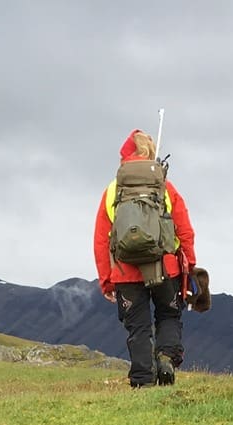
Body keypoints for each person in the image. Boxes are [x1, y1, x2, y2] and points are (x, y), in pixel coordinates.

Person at [94, 129, 198, 388]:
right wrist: (190, 268)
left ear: (124, 156)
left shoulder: (112, 191)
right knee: (169, 315)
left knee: (137, 327)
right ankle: (166, 357)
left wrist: (107, 281)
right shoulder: (166, 188)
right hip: (166, 269)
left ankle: (142, 381)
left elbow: (101, 240)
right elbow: (184, 231)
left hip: (125, 272)